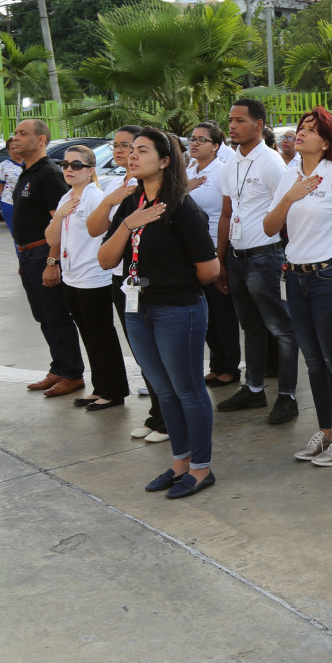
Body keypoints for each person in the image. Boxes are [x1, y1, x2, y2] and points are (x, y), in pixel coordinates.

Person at [97, 127, 221, 500]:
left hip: (177, 309)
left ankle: (201, 468)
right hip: (138, 309)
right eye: (130, 150)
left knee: (188, 390)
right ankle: (179, 463)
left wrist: (172, 285)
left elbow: (210, 270)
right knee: (164, 392)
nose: (132, 156)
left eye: (143, 150)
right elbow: (106, 259)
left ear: (165, 161)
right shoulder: (131, 203)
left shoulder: (182, 208)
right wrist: (128, 224)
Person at [264, 107, 332, 466]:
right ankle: (325, 434)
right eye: (300, 128)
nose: (300, 133)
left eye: (309, 129)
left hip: (331, 278)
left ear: (326, 141)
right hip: (295, 277)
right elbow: (269, 227)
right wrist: (290, 197)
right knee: (314, 362)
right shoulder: (289, 175)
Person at [215, 98, 302, 424]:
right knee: (250, 326)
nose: (233, 125)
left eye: (239, 120)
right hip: (237, 258)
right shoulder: (231, 161)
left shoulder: (271, 163)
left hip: (266, 256)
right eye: (230, 119)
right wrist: (220, 259)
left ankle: (287, 396)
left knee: (281, 329)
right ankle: (253, 389)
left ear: (259, 125)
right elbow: (227, 213)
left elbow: (287, 213)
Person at [86, 125, 167, 442]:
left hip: (152, 281)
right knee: (142, 352)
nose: (122, 152)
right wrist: (110, 200)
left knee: (158, 355)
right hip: (123, 279)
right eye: (117, 145)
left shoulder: (151, 190)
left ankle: (165, 416)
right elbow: (96, 230)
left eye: (130, 146)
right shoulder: (117, 186)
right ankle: (156, 413)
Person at [44, 144, 127, 412]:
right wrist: (60, 214)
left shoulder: (95, 197)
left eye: (76, 165)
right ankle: (100, 387)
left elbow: (109, 230)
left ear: (91, 170)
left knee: (102, 335)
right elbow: (50, 238)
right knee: (88, 336)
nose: (69, 169)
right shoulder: (66, 198)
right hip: (72, 277)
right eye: (65, 164)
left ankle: (113, 391)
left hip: (94, 277)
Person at [11, 119, 85, 398]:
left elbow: (61, 223)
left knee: (56, 315)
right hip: (28, 253)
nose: (15, 138)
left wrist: (52, 262)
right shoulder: (27, 172)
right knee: (43, 315)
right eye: (16, 133)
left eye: (23, 134)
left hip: (45, 253)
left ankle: (72, 374)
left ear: (40, 140)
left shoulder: (49, 174)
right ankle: (59, 367)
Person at [186, 122, 240, 389]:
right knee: (204, 313)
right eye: (192, 139)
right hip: (191, 252)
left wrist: (221, 256)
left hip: (216, 248)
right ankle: (216, 364)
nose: (194, 143)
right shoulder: (189, 170)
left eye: (201, 140)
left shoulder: (221, 171)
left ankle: (229, 366)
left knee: (222, 311)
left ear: (216, 146)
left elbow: (228, 213)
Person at [0, 137, 23, 231]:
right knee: (17, 232)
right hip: (10, 203)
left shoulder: (31, 163)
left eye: (18, 146)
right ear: (8, 150)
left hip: (28, 203)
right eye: (13, 148)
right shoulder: (3, 166)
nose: (16, 150)